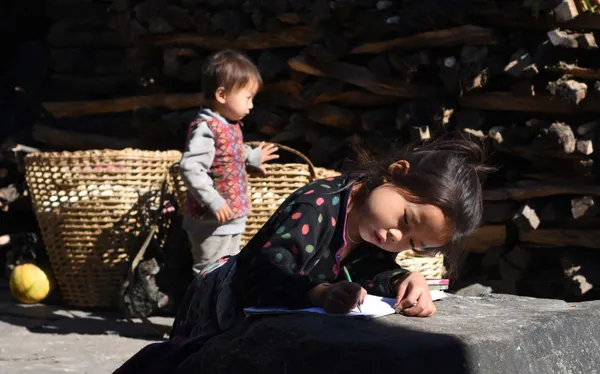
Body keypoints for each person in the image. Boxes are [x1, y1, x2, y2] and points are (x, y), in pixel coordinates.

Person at [114, 134, 492, 373]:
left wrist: (402, 280)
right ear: (396, 172)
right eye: (405, 219)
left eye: (412, 244)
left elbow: (367, 268)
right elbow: (264, 273)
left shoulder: (373, 229)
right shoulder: (317, 205)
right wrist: (318, 293)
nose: (395, 237)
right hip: (223, 300)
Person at [179, 49, 278, 273]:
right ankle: (205, 307)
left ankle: (221, 304)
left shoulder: (227, 126)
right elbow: (191, 167)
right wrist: (214, 201)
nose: (251, 105)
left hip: (231, 219)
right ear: (222, 95)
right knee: (208, 269)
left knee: (227, 267)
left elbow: (231, 152)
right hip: (211, 221)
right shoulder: (206, 128)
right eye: (248, 97)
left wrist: (253, 156)